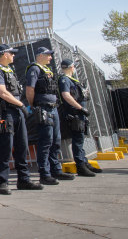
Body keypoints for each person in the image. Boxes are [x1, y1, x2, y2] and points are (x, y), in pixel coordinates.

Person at [0, 44, 43, 195]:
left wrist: (20, 107)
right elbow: (2, 92)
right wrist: (21, 104)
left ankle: (24, 179)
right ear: (4, 54)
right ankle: (2, 182)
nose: (14, 56)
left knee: (22, 146)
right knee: (6, 147)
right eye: (11, 53)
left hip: (17, 112)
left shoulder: (9, 70)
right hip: (5, 113)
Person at [25, 47, 75, 185]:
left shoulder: (47, 70)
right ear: (40, 55)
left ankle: (56, 170)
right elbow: (30, 89)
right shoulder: (34, 69)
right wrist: (34, 105)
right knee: (46, 141)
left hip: (53, 108)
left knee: (56, 140)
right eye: (48, 55)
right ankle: (44, 174)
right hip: (43, 108)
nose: (50, 58)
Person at [58, 59, 102, 176]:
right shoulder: (64, 79)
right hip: (74, 114)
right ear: (71, 67)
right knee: (77, 140)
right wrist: (80, 108)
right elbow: (66, 95)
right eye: (74, 66)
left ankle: (84, 162)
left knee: (80, 139)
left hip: (79, 113)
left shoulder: (72, 80)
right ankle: (80, 166)